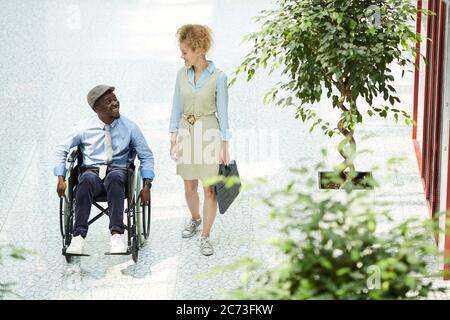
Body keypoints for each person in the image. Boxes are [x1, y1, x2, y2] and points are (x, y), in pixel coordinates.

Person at [54, 85, 155, 255]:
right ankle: (78, 236)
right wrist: (60, 178)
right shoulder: (83, 127)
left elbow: (146, 156)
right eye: (109, 101)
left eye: (115, 98)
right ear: (96, 109)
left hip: (119, 172)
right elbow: (61, 149)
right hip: (91, 172)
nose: (115, 103)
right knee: (84, 181)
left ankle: (117, 235)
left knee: (115, 178)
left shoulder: (130, 127)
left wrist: (146, 185)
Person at [169, 24, 231, 256]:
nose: (181, 55)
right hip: (186, 131)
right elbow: (176, 105)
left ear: (198, 50)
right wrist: (173, 136)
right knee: (189, 185)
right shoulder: (181, 75)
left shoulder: (219, 77)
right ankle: (195, 218)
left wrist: (225, 146)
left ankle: (205, 236)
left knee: (209, 190)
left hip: (209, 134)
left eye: (185, 51)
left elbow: (223, 115)